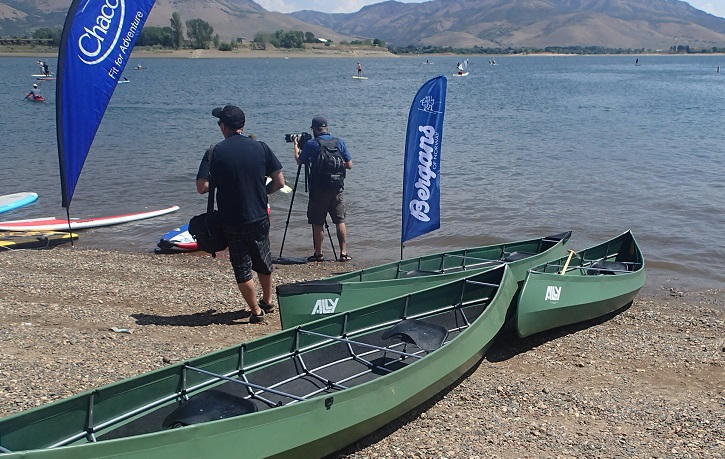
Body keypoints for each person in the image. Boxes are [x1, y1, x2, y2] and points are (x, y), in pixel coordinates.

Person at [196, 105, 285, 323]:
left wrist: (221, 181)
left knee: (242, 266)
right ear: (242, 126)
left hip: (232, 219)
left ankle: (255, 311)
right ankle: (268, 299)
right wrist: (262, 194)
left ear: (224, 126)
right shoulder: (261, 147)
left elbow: (202, 187)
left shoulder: (214, 152)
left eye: (219, 123)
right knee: (264, 259)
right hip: (259, 215)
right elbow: (280, 182)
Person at [293, 115, 353, 262]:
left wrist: (295, 146)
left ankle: (318, 254)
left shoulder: (312, 144)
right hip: (337, 188)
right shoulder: (339, 142)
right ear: (327, 128)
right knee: (340, 220)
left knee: (318, 221)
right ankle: (343, 253)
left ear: (314, 129)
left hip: (319, 189)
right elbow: (350, 165)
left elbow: (299, 161)